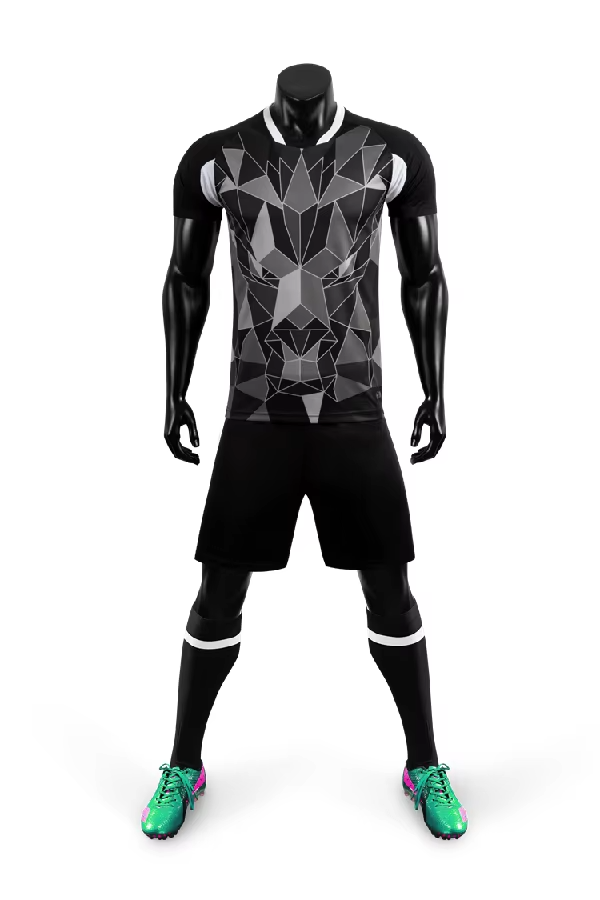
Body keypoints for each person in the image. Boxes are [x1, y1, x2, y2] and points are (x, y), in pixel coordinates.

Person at [141, 64, 467, 841]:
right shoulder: (215, 158)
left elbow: (425, 275)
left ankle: (424, 764)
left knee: (391, 594)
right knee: (217, 596)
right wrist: (172, 391)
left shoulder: (392, 154)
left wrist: (437, 389)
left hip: (355, 411)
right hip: (256, 415)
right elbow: (185, 277)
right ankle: (183, 764)